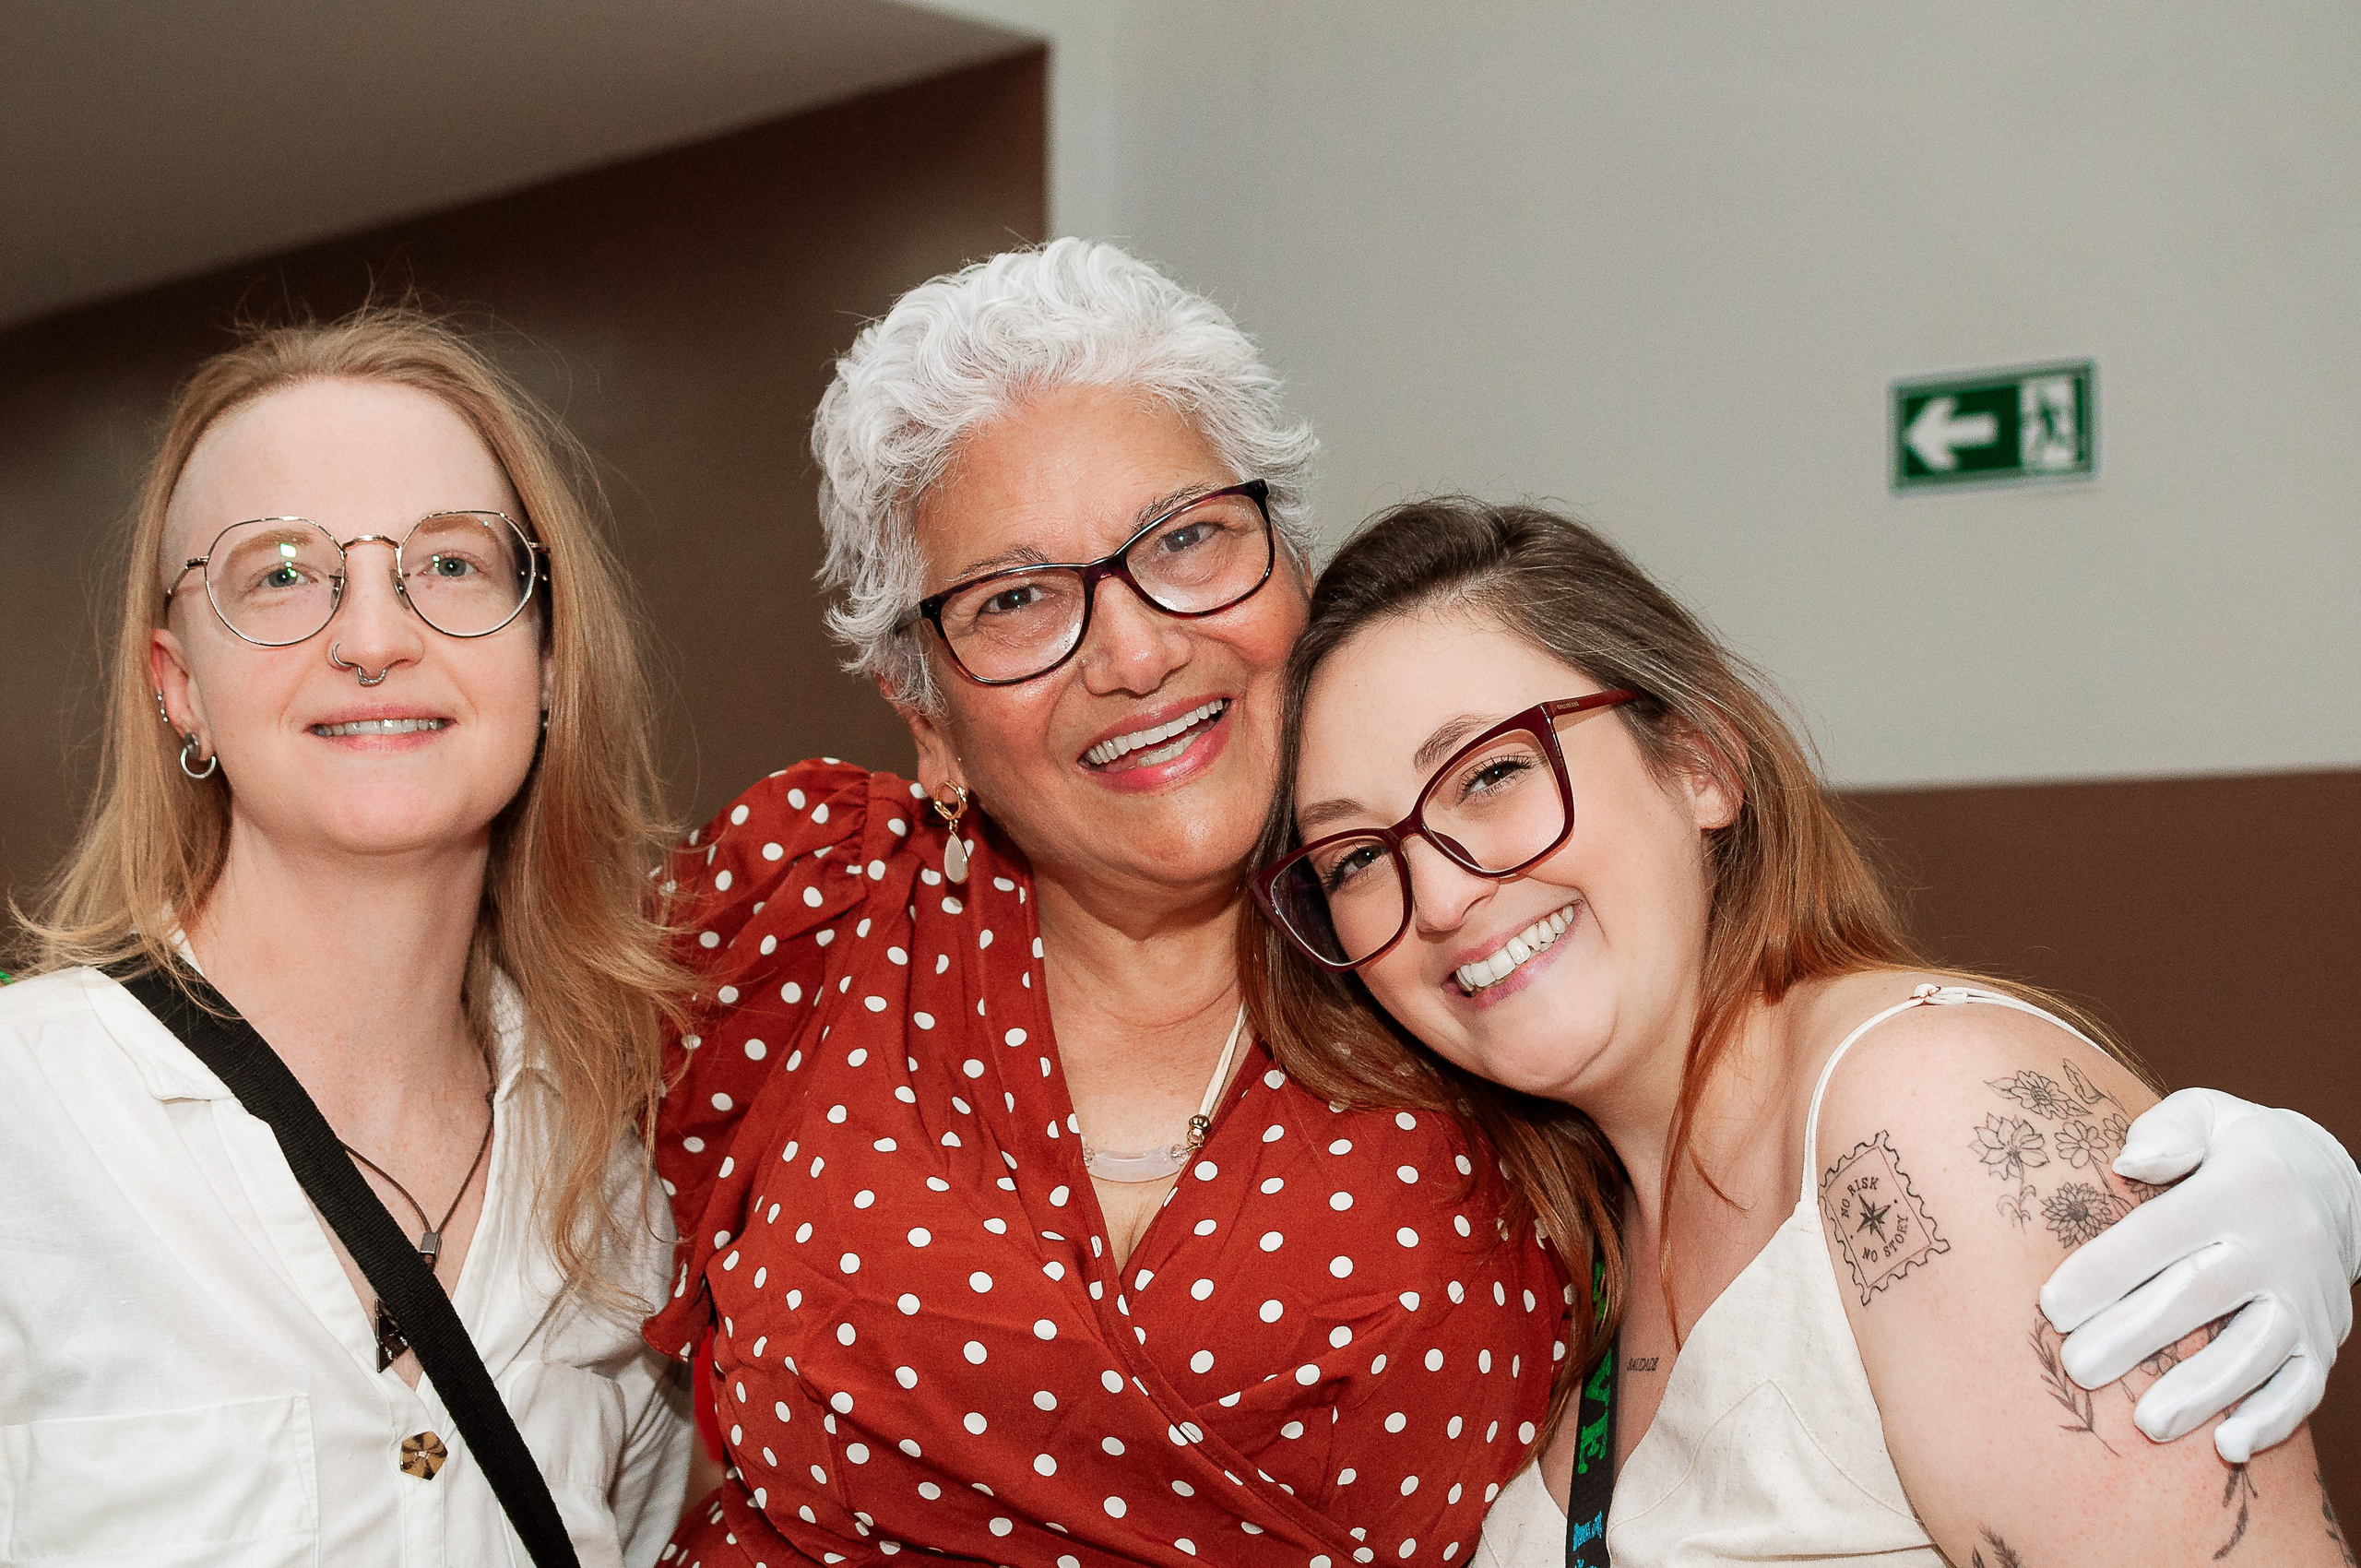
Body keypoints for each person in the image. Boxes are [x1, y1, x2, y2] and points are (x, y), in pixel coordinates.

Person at [649, 242, 2359, 1567]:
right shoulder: (815, 913)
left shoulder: (1509, 1045)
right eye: (1019, 598)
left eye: (1185, 542)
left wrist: (2094, 1152)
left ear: (1699, 757)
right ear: (921, 705)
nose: (1135, 643)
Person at [1246, 498, 2359, 1565]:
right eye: (1353, 859)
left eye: (1490, 774)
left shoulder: (1921, 1113)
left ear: (1698, 762)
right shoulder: (1578, 1238)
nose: (1435, 897)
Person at [0, 311, 694, 1564]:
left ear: (547, 658)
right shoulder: (25, 1121)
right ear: (179, 685)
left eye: (451, 566)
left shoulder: (626, 1188)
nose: (374, 639)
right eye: (276, 573)